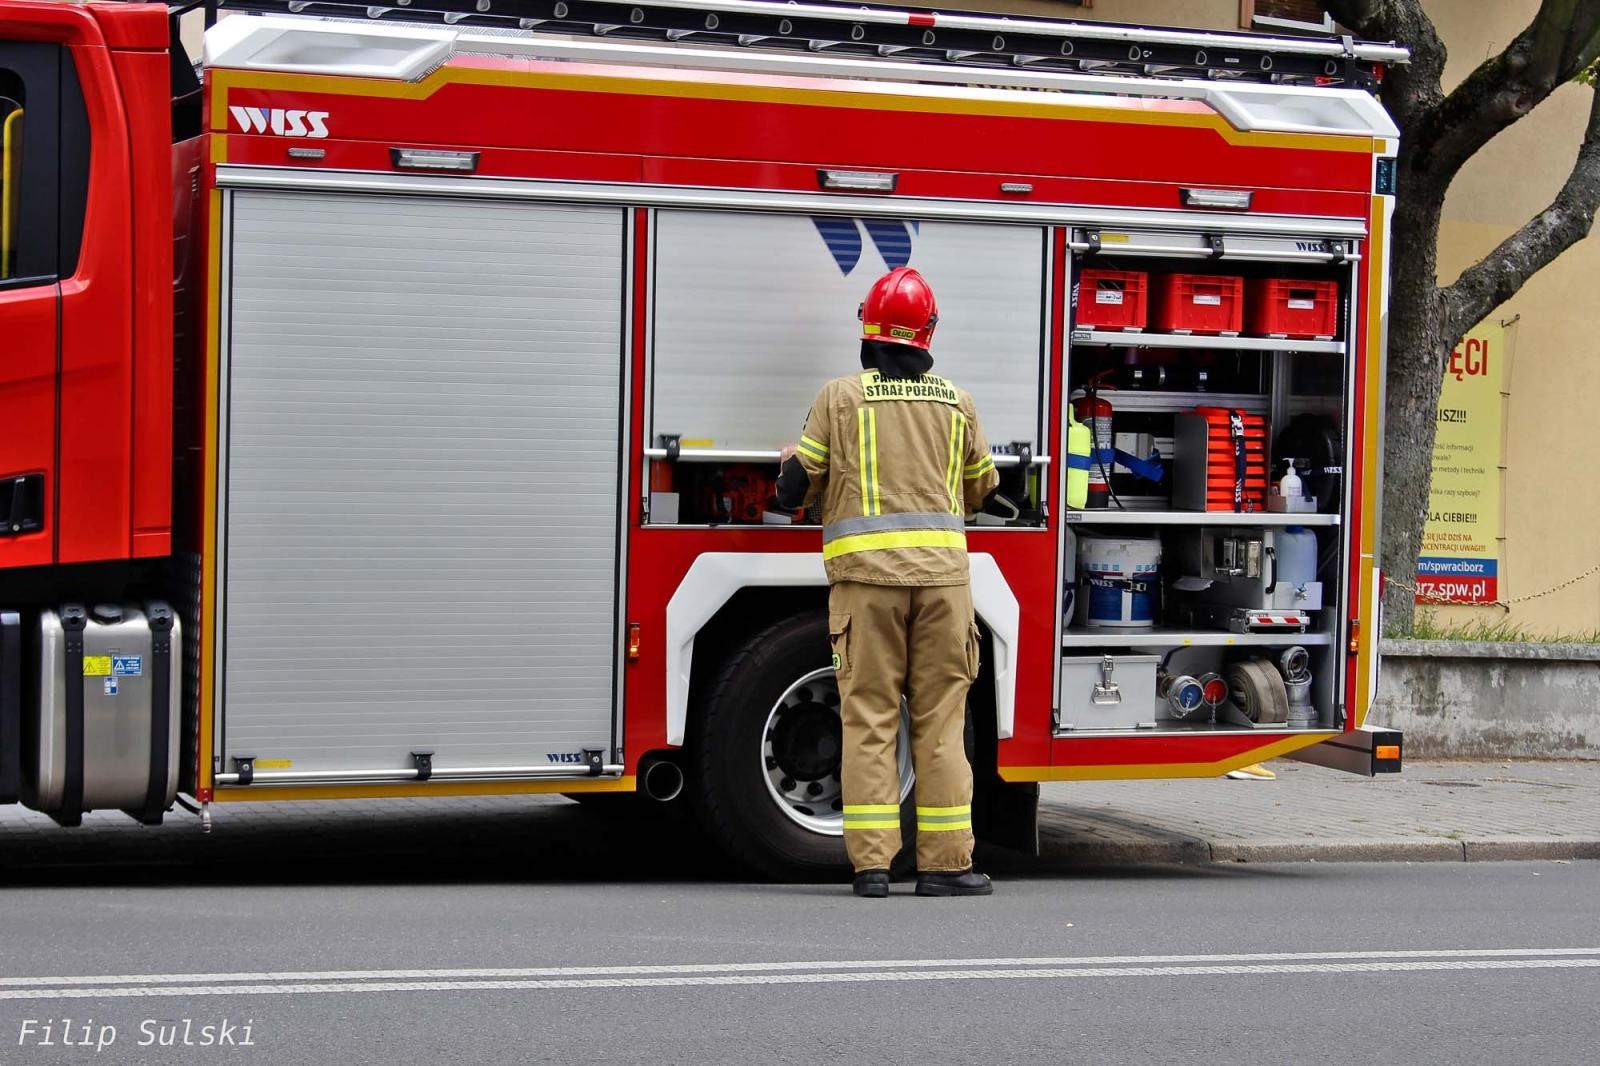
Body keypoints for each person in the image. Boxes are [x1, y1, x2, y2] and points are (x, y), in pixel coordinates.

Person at [775, 266, 1001, 898]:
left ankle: (872, 867)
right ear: (927, 334)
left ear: (867, 330)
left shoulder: (838, 399)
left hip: (863, 586)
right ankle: (946, 866)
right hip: (942, 588)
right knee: (939, 722)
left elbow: (797, 488)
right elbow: (983, 485)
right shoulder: (958, 404)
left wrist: (789, 468)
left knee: (869, 718)